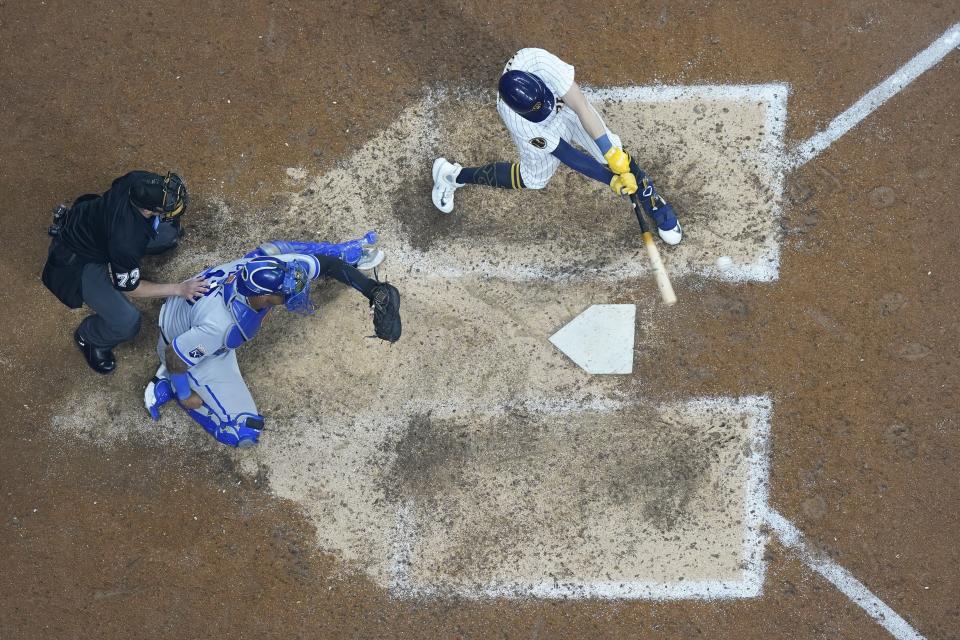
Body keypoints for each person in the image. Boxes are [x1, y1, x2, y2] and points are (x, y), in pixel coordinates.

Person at [143, 238, 401, 448]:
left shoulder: (269, 267)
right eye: (288, 294)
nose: (298, 293)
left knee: (273, 248)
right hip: (183, 341)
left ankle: (348, 251)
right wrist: (187, 395)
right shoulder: (220, 326)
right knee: (243, 432)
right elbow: (175, 354)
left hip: (192, 312)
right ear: (265, 296)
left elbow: (328, 265)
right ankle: (171, 385)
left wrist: (371, 290)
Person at [431, 47, 682, 245]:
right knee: (533, 179)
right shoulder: (520, 122)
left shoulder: (539, 62)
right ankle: (452, 175)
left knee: (615, 150)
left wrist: (610, 153)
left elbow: (581, 106)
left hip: (569, 108)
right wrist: (611, 180)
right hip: (545, 133)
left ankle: (654, 203)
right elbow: (565, 153)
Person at [42, 171, 208, 374]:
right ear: (148, 210)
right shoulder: (126, 241)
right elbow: (131, 288)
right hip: (77, 260)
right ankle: (90, 338)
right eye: (166, 207)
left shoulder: (137, 179)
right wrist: (180, 289)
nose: (175, 203)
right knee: (126, 322)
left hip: (91, 220)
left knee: (168, 233)